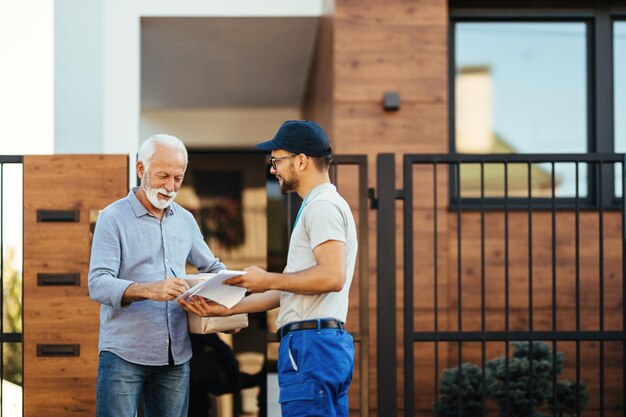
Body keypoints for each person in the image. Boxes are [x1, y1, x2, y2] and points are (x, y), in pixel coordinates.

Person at [180, 120, 358, 417]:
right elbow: (288, 290)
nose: (273, 168)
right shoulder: (319, 205)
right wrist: (227, 309)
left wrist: (264, 279)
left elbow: (331, 276)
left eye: (277, 160)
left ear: (301, 161)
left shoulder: (322, 207)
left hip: (310, 346)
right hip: (318, 345)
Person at [88, 134, 226, 417]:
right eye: (163, 176)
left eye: (178, 178)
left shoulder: (186, 220)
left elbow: (214, 269)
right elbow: (98, 283)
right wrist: (150, 290)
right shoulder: (112, 218)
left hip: (176, 357)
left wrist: (231, 308)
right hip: (124, 355)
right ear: (141, 170)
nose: (171, 186)